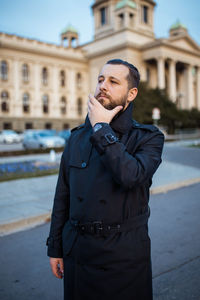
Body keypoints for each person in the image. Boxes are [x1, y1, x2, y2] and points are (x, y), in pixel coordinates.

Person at [46, 59, 164, 300]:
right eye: (100, 79)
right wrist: (55, 247)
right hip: (78, 254)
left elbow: (131, 175)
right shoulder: (77, 138)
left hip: (123, 259)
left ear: (131, 93)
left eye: (113, 81)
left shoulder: (148, 138)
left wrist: (101, 127)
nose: (103, 86)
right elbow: (63, 196)